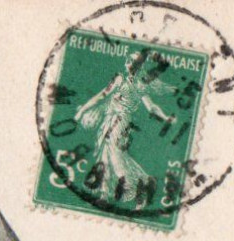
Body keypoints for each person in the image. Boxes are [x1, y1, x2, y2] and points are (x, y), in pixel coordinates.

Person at [73, 51, 176, 207]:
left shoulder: (139, 84)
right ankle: (106, 194)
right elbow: (102, 95)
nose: (128, 62)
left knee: (114, 154)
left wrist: (165, 117)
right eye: (128, 59)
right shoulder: (121, 79)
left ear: (140, 66)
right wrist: (82, 111)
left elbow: (151, 107)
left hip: (121, 122)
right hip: (110, 119)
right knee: (105, 154)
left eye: (133, 61)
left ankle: (137, 186)